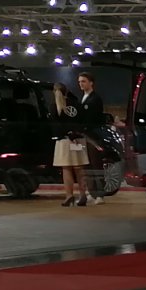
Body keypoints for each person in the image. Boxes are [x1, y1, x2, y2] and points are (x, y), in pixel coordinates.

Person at [54, 72, 105, 206]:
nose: (81, 84)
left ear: (91, 83)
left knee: (93, 165)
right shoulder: (80, 100)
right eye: (79, 81)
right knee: (83, 166)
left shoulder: (95, 99)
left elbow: (92, 119)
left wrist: (77, 131)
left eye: (83, 81)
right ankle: (89, 193)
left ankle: (99, 194)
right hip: (80, 137)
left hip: (90, 136)